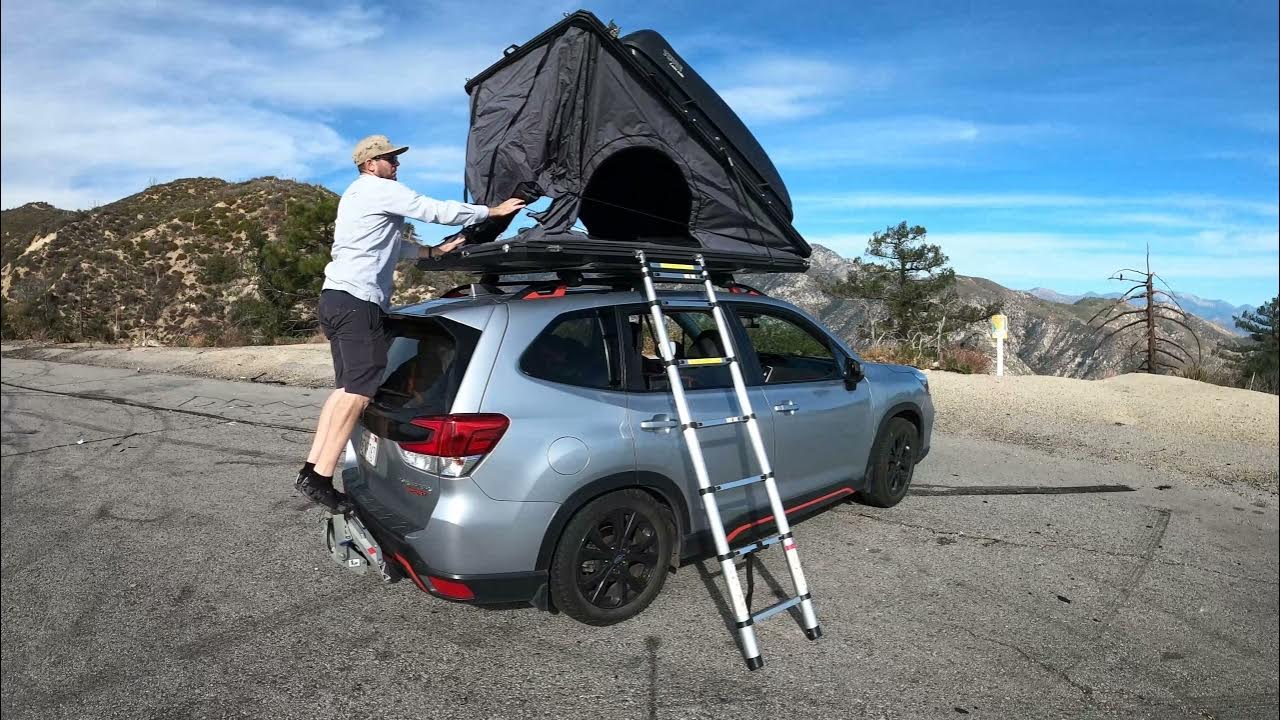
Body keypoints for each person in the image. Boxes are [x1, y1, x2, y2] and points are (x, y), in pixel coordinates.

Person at [296, 134, 526, 512]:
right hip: (356, 301)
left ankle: (311, 470)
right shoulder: (376, 189)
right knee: (357, 391)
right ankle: (321, 478)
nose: (396, 164)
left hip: (335, 298)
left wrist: (432, 251)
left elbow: (392, 246)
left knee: (345, 390)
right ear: (371, 165)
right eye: (390, 159)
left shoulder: (355, 196)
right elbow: (431, 209)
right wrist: (491, 212)